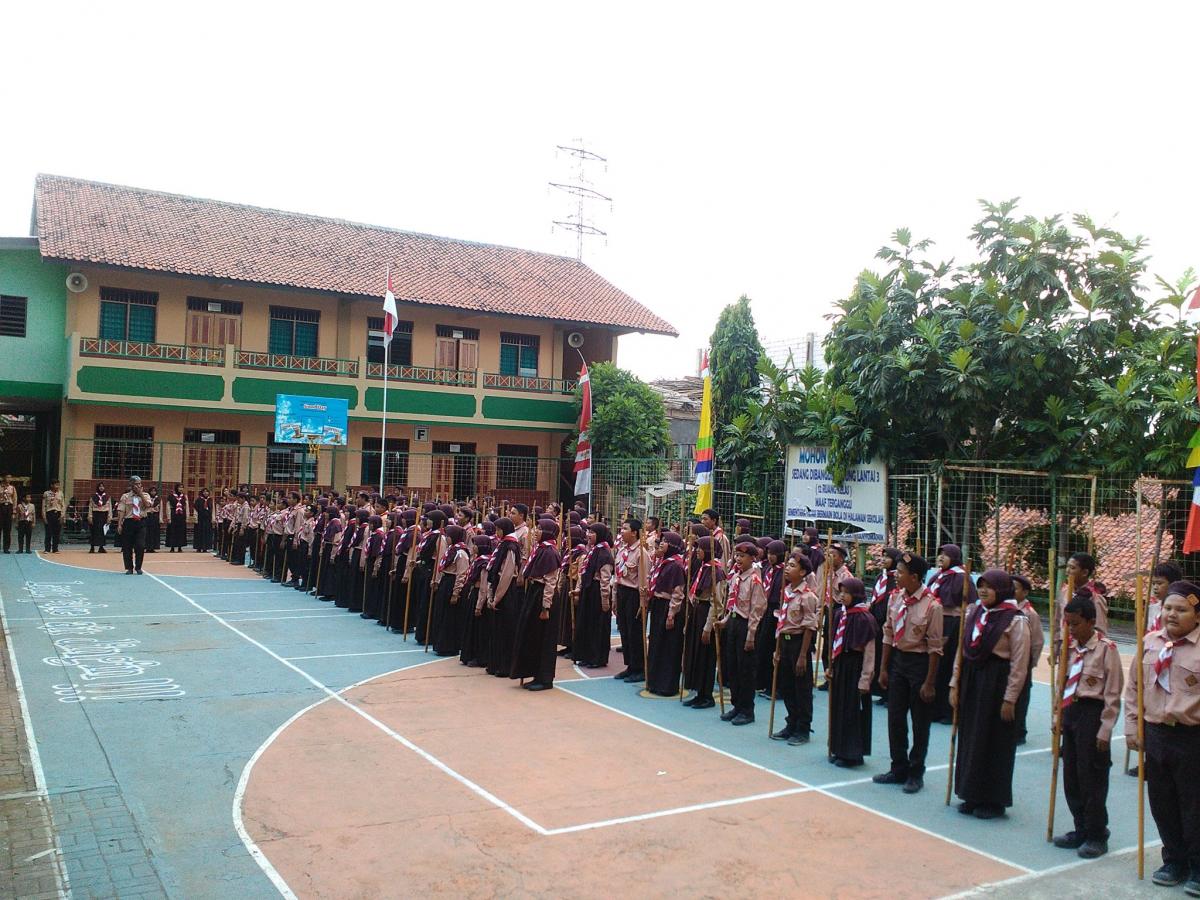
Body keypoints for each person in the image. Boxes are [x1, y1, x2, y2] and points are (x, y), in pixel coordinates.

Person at [1125, 581, 1200, 892]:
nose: (1172, 614)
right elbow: (1133, 688)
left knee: (1194, 804)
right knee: (1162, 801)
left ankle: (1198, 865)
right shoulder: (1150, 642)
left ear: (1197, 615)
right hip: (1156, 733)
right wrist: (1132, 726)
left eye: (1181, 609)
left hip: (1191, 737)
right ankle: (1174, 859)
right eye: (1168, 607)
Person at [950, 569, 1029, 819]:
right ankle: (970, 793)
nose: (983, 591)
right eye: (981, 586)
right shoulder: (975, 612)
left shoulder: (1016, 620)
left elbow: (1019, 664)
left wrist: (1010, 698)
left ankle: (993, 800)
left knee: (994, 741)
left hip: (997, 683)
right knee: (971, 737)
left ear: (1002, 590)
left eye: (989, 587)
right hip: (973, 679)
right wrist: (954, 683)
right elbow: (962, 650)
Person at [1051, 591, 1122, 858]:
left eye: (1076, 623)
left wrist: (1106, 729)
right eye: (1067, 623)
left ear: (1091, 622)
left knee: (1091, 776)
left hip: (1093, 714)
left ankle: (1096, 833)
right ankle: (1080, 827)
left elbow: (1113, 693)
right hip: (1071, 710)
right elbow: (1062, 685)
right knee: (1071, 775)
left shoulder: (1106, 649)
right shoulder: (1069, 648)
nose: (1071, 629)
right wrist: (1058, 716)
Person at [874, 552, 943, 793]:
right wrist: (883, 668)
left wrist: (929, 682)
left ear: (914, 577)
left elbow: (935, 647)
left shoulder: (932, 606)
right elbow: (888, 633)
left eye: (901, 572)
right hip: (898, 661)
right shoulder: (896, 599)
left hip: (920, 664)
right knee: (895, 718)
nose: (896, 575)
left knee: (919, 721)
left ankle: (916, 772)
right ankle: (898, 767)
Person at [717, 538, 767, 726]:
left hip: (746, 626)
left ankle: (747, 710)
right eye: (737, 555)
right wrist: (725, 620)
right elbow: (733, 604)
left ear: (752, 558)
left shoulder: (755, 580)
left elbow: (756, 609)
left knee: (745, 669)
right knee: (733, 667)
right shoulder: (736, 577)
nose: (738, 559)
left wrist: (751, 634)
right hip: (734, 623)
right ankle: (736, 705)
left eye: (743, 556)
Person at [509, 519, 563, 690]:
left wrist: (545, 606)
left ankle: (545, 678)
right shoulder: (540, 549)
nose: (536, 531)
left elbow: (550, 582)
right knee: (533, 636)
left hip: (543, 596)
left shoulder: (550, 552)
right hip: (534, 593)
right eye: (536, 528)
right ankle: (534, 673)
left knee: (544, 638)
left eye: (540, 529)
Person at [772, 553, 819, 745]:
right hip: (785, 641)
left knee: (802, 688)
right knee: (786, 686)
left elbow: (809, 627)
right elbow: (782, 622)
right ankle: (791, 722)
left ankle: (803, 728)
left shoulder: (807, 596)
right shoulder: (787, 592)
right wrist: (778, 650)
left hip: (799, 643)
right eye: (788, 564)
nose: (787, 568)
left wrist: (802, 656)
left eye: (792, 566)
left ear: (802, 572)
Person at [930, 544, 977, 722]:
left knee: (948, 666)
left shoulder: (961, 577)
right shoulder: (937, 576)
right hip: (935, 622)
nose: (941, 557)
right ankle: (934, 707)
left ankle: (948, 710)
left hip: (953, 624)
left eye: (945, 554)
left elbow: (970, 604)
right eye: (939, 554)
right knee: (935, 665)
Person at [683, 536, 723, 710]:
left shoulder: (716, 572)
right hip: (697, 612)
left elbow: (717, 603)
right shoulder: (703, 568)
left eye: (700, 548)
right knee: (695, 654)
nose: (697, 550)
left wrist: (708, 627)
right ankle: (698, 692)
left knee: (706, 656)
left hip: (707, 615)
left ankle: (707, 695)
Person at [644, 531, 687, 697]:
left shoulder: (676, 565)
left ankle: (667, 685)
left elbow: (678, 593)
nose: (661, 543)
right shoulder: (662, 562)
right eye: (661, 540)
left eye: (665, 541)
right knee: (657, 644)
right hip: (658, 605)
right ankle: (654, 681)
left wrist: (671, 614)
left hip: (668, 607)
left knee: (668, 647)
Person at [572, 523, 615, 669]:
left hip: (597, 594)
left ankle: (597, 658)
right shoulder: (593, 551)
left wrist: (605, 601)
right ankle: (586, 655)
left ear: (600, 535)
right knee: (587, 625)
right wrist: (579, 590)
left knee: (597, 626)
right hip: (588, 591)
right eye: (588, 532)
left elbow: (605, 580)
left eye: (592, 532)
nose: (588, 535)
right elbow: (583, 573)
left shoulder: (605, 554)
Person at [613, 519, 650, 682]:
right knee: (625, 630)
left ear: (634, 532)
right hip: (622, 592)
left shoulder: (642, 553)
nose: (621, 531)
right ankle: (630, 665)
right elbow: (618, 576)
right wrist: (615, 597)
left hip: (634, 595)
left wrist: (643, 602)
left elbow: (644, 580)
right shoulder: (623, 550)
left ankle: (639, 668)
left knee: (635, 632)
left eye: (625, 529)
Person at [486, 517, 522, 678]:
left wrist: (497, 598)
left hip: (506, 592)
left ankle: (504, 666)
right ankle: (495, 664)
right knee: (496, 630)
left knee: (505, 630)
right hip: (498, 588)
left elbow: (507, 574)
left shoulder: (511, 547)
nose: (497, 532)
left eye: (499, 529)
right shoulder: (503, 544)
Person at [1011, 574, 1044, 745]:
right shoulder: (1005, 609)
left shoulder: (1030, 614)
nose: (1011, 591)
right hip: (1008, 661)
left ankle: (1019, 731)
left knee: (1020, 697)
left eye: (1015, 588)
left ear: (1025, 592)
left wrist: (1030, 663)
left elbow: (1037, 641)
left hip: (1022, 662)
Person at [815, 542, 852, 689]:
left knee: (836, 645)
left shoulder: (845, 576)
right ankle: (828, 676)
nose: (829, 557)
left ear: (841, 558)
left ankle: (837, 677)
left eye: (833, 555)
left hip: (839, 611)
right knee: (827, 645)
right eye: (828, 554)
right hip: (828, 609)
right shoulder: (828, 573)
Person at [431, 524, 471, 656]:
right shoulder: (450, 550)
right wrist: (437, 580)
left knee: (450, 617)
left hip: (452, 584)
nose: (446, 538)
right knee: (441, 614)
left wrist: (456, 593)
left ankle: (449, 646)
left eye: (448, 536)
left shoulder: (461, 553)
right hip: (445, 581)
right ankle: (439, 644)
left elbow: (462, 574)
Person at [869, 549, 902, 705]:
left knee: (891, 659)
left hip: (891, 624)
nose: (883, 559)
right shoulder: (880, 577)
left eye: (887, 557)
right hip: (877, 623)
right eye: (882, 556)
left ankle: (891, 694)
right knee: (878, 657)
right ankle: (881, 691)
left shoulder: (897, 579)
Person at [756, 540, 787, 694]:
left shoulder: (785, 572)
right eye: (768, 553)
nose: (770, 556)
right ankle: (763, 680)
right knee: (763, 646)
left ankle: (776, 685)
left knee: (774, 647)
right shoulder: (768, 569)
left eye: (774, 554)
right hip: (765, 609)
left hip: (777, 611)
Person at [115, 477, 148, 574]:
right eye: (136, 484)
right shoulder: (125, 496)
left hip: (141, 522)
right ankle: (129, 567)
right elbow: (121, 510)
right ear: (131, 485)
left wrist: (141, 494)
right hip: (129, 522)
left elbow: (148, 505)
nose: (139, 485)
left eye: (140, 483)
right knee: (127, 546)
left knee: (140, 545)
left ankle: (138, 567)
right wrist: (119, 524)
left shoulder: (145, 495)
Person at [1147, 561, 1183, 634]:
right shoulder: (1153, 608)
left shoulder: (1182, 609)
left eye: (1159, 583)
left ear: (1173, 584)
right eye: (1153, 583)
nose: (1155, 587)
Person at [41, 479, 65, 553]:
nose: (57, 486)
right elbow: (43, 506)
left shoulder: (60, 493)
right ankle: (47, 548)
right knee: (48, 532)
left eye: (58, 485)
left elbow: (63, 505)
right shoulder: (46, 493)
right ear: (51, 485)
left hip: (58, 513)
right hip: (49, 513)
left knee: (56, 532)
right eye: (56, 485)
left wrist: (62, 515)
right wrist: (44, 516)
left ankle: (55, 548)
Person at [88, 482, 112, 553]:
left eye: (102, 486)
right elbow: (90, 507)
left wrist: (109, 517)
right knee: (93, 531)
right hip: (95, 515)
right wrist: (90, 516)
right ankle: (92, 547)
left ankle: (101, 547)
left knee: (102, 532)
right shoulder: (93, 497)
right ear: (97, 487)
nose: (101, 488)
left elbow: (110, 507)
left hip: (104, 515)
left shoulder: (107, 497)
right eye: (100, 486)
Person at [165, 484, 189, 552]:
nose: (181, 489)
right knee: (172, 531)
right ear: (176, 488)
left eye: (182, 487)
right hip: (173, 514)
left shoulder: (184, 496)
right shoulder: (171, 496)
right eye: (179, 487)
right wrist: (168, 517)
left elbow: (187, 506)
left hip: (181, 515)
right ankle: (172, 547)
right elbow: (168, 506)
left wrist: (187, 517)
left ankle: (180, 547)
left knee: (181, 531)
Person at [193, 488, 212, 552]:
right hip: (200, 519)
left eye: (207, 491)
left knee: (206, 533)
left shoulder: (210, 500)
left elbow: (212, 509)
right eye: (204, 491)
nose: (205, 493)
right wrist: (195, 518)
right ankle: (198, 547)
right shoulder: (198, 500)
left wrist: (213, 518)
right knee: (199, 533)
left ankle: (205, 548)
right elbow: (195, 509)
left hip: (207, 519)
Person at [144, 486, 161, 552]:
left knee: (154, 532)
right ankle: (147, 547)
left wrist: (160, 518)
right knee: (147, 532)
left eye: (154, 491)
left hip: (155, 516)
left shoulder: (158, 499)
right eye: (152, 491)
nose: (153, 492)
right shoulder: (146, 498)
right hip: (148, 516)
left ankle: (153, 547)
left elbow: (160, 509)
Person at [0, 475, 14, 553]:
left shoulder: (12, 488)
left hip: (9, 507)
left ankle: (6, 548)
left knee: (7, 529)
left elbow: (15, 499)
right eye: (7, 477)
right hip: (1, 506)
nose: (9, 479)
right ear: (4, 478)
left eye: (10, 477)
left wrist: (14, 511)